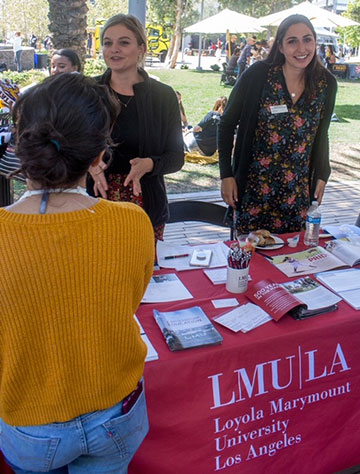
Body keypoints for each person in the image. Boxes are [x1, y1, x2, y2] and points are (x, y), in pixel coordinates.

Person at [0, 73, 154, 473]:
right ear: (98, 155)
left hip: (30, 422)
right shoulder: (132, 223)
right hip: (115, 411)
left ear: (18, 146)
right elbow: (128, 301)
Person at [218, 14, 337, 235]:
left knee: (292, 263)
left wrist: (322, 174)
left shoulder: (326, 84)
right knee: (249, 260)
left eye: (307, 39)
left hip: (296, 196)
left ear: (315, 42)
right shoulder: (258, 75)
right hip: (253, 192)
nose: (301, 48)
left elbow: (322, 135)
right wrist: (226, 175)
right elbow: (225, 124)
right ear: (280, 46)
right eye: (292, 41)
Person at [87, 13, 184, 242]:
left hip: (146, 206)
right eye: (108, 42)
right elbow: (64, 146)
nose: (114, 49)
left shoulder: (163, 96)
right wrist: (89, 165)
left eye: (124, 42)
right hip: (94, 203)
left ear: (141, 48)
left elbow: (176, 157)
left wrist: (150, 164)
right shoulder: (88, 92)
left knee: (146, 275)